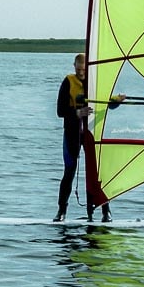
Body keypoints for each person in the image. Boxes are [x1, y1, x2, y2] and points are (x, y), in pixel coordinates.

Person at [54, 53, 124, 222]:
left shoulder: (95, 82)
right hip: (72, 133)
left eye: (83, 70)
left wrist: (116, 101)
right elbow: (60, 111)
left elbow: (106, 102)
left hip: (91, 132)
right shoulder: (68, 82)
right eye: (78, 69)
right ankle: (61, 211)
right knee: (69, 171)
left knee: (97, 173)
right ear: (74, 66)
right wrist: (77, 112)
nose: (81, 72)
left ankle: (105, 212)